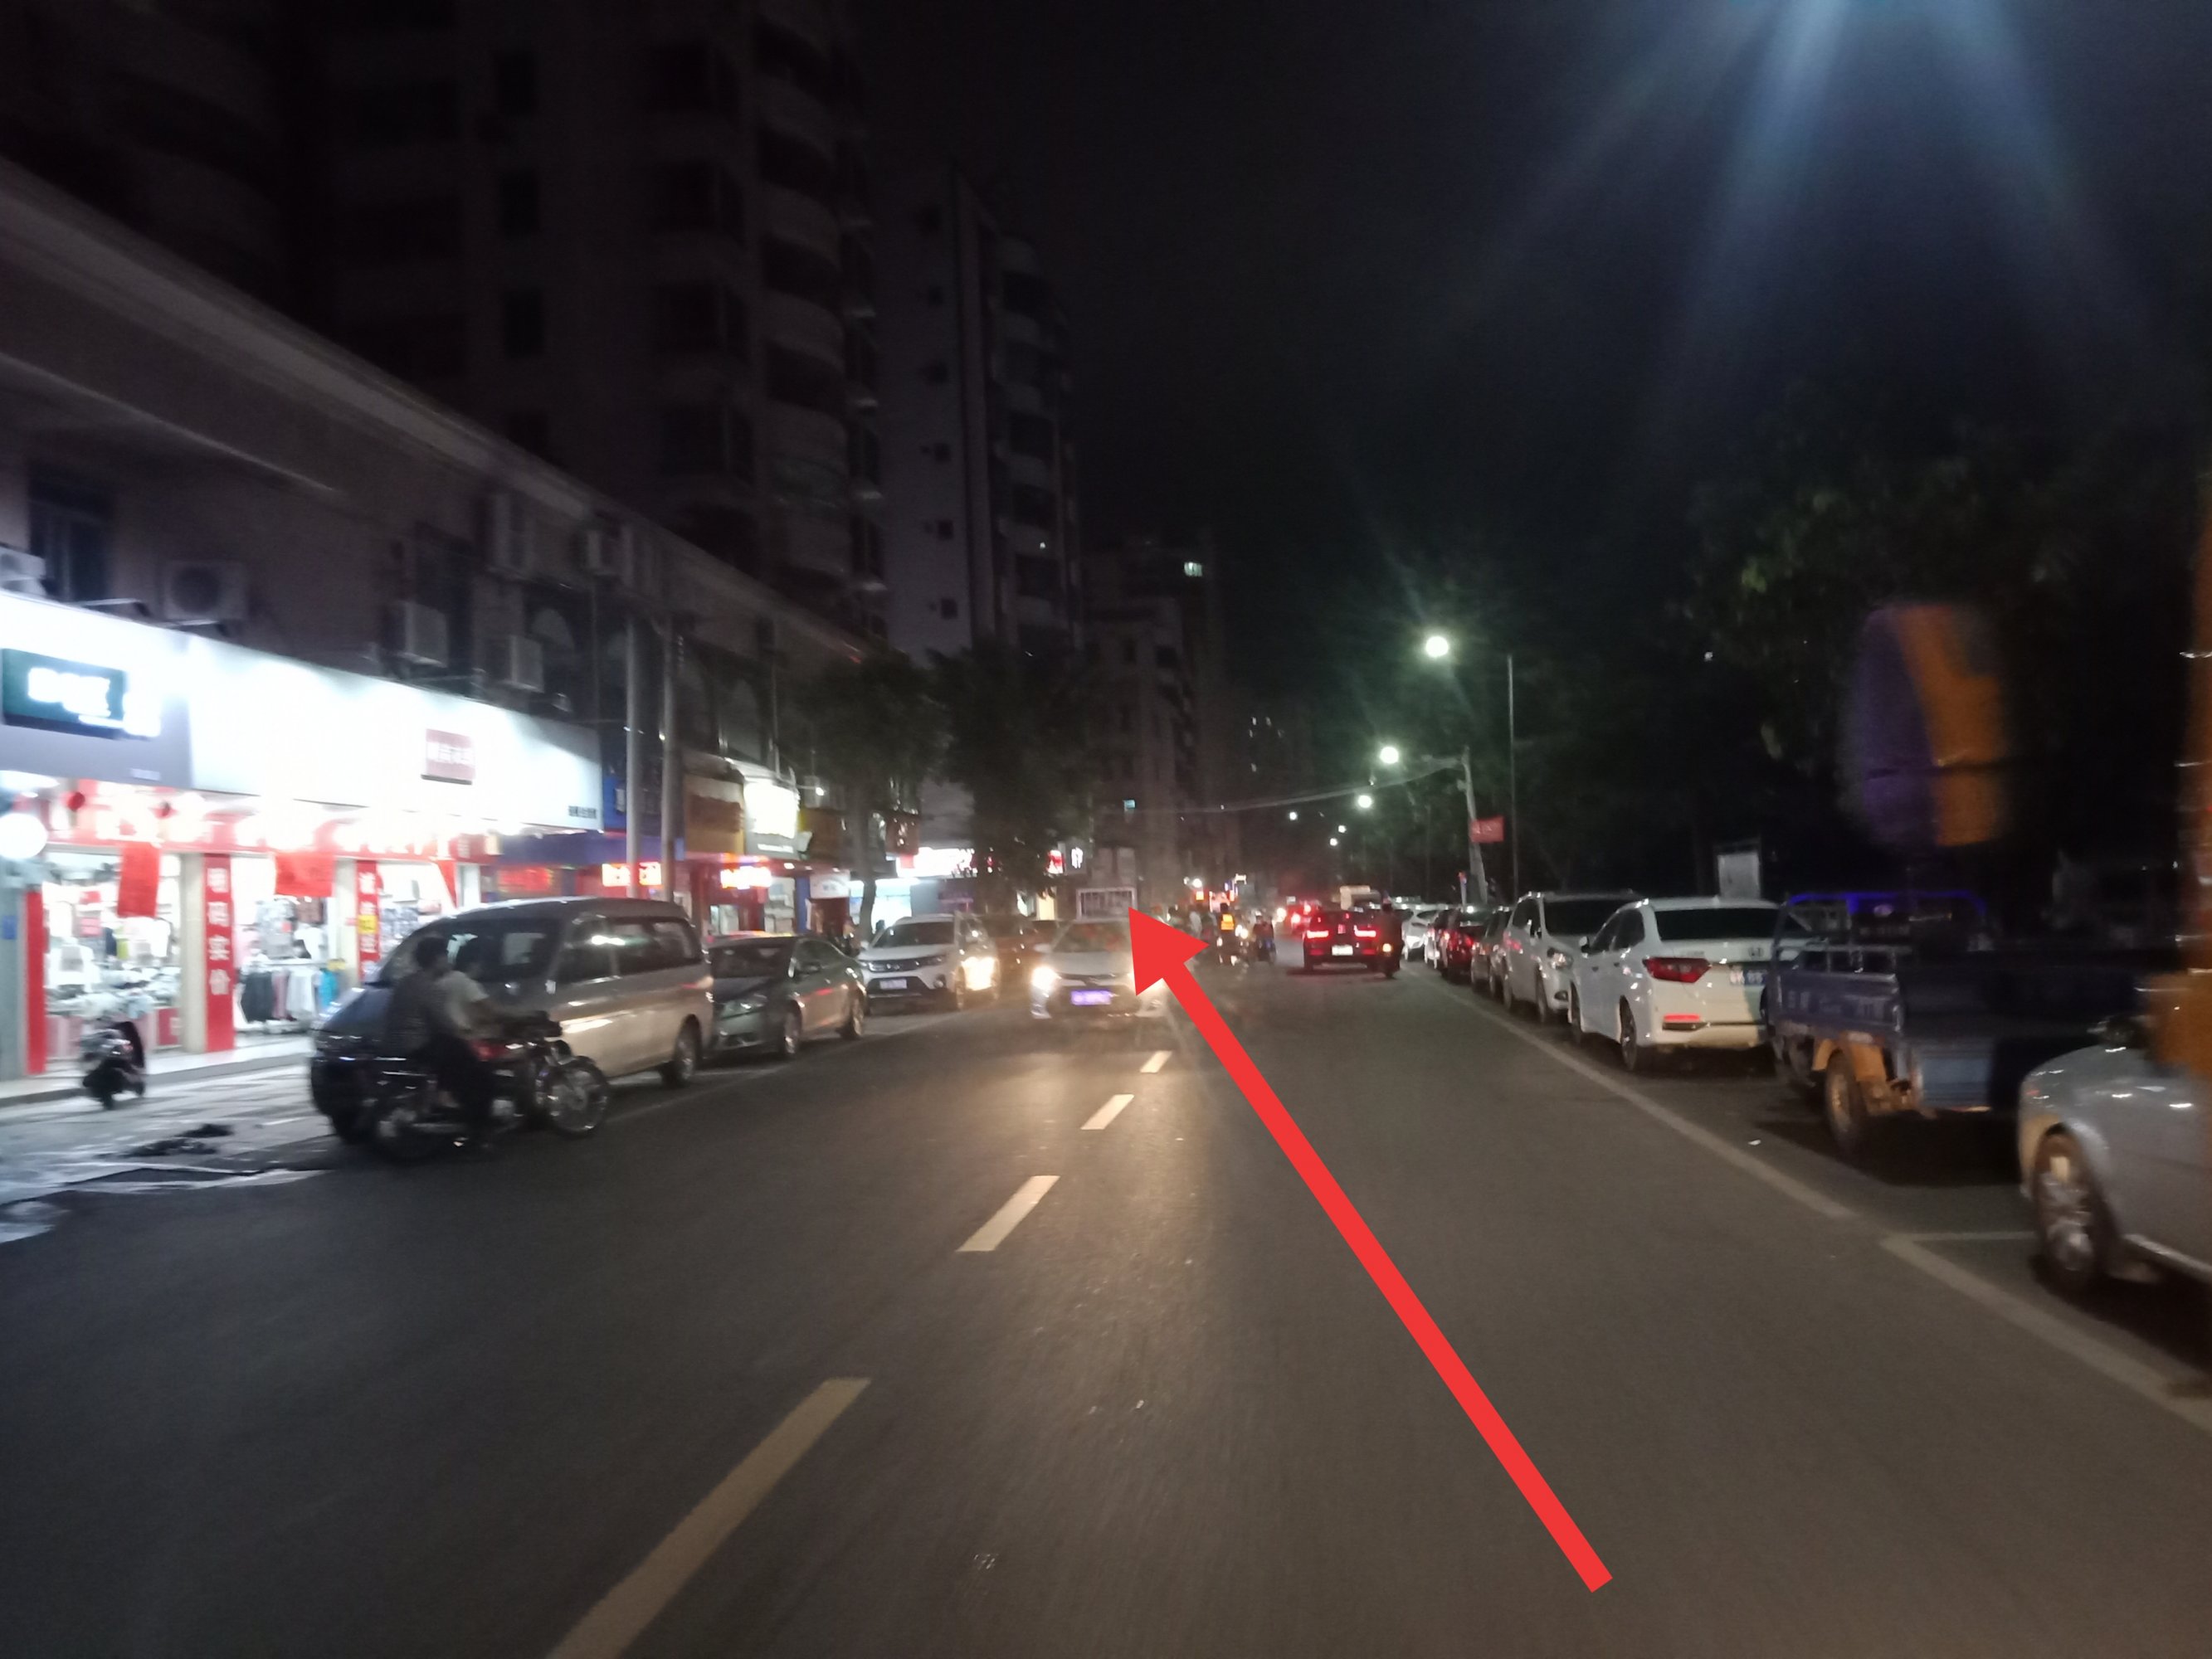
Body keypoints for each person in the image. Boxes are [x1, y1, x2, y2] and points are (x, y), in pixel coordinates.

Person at [385, 931, 498, 1146]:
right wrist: (468, 1034)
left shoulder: (406, 983)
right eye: (445, 956)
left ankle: (448, 1100)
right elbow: (445, 1024)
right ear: (437, 959)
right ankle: (478, 1132)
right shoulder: (430, 987)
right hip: (420, 1045)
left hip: (398, 1044)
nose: (448, 961)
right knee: (482, 1077)